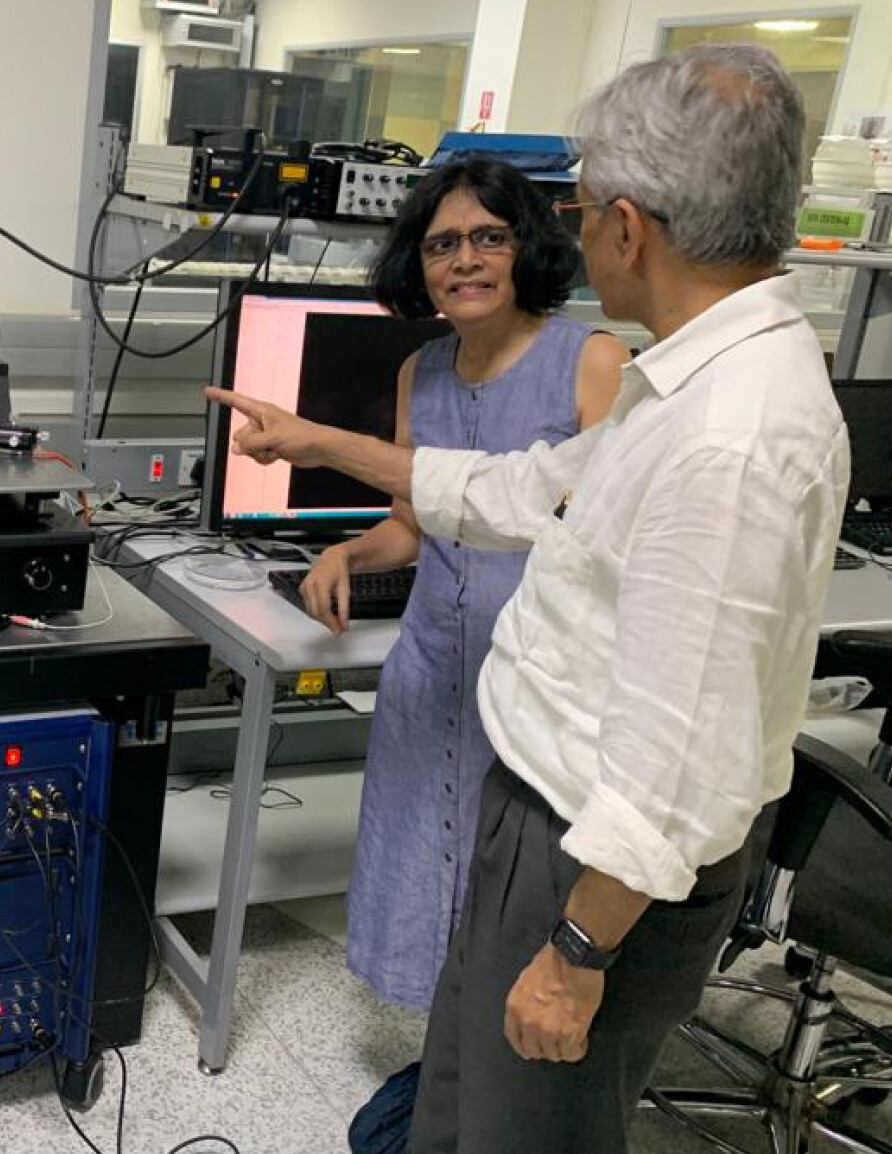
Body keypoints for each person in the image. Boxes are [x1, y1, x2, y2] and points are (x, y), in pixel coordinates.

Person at [207, 44, 849, 1154]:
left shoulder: (730, 436)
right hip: (541, 815)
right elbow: (519, 489)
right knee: (463, 1103)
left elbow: (676, 756)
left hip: (589, 861)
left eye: (581, 205)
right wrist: (318, 442)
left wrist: (576, 953)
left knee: (531, 1125)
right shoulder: (681, 385)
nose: (579, 228)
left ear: (628, 226)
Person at [296, 158, 624, 1017]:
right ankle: (443, 1061)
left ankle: (492, 1063)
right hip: (435, 667)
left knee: (516, 896)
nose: (465, 261)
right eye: (443, 245)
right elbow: (414, 522)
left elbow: (604, 537)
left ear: (527, 248)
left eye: (489, 238)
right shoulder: (423, 370)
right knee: (419, 866)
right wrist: (346, 555)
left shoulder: (591, 361)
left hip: (536, 689)